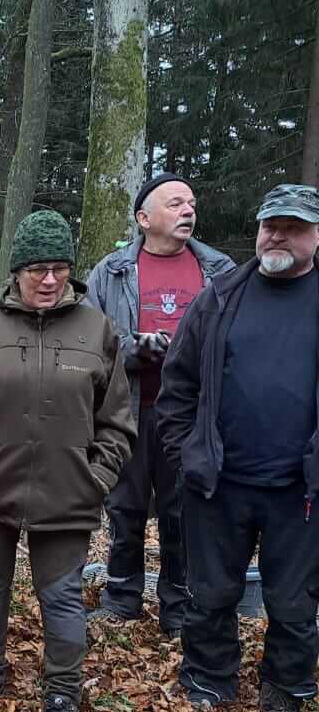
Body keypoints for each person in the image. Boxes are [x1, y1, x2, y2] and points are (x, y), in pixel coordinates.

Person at [0, 211, 135, 712]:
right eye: (38, 269)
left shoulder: (96, 330)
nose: (50, 280)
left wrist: (98, 476)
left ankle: (63, 697)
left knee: (62, 596)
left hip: (68, 492)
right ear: (16, 271)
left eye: (60, 269)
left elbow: (117, 417)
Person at [158, 183, 319, 712]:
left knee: (294, 602)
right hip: (218, 482)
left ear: (314, 236)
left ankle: (284, 690)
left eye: (292, 227)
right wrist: (186, 452)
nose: (278, 235)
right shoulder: (221, 295)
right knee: (211, 590)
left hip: (300, 490)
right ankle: (208, 676)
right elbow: (176, 385)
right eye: (270, 224)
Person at [84, 177, 233, 635]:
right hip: (128, 408)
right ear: (144, 219)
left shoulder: (220, 270)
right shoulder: (110, 272)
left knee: (181, 509)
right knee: (125, 506)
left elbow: (235, 340)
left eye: (191, 202)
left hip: (189, 416)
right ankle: (122, 597)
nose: (188, 210)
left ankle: (178, 604)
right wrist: (138, 348)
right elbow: (92, 339)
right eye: (175, 203)